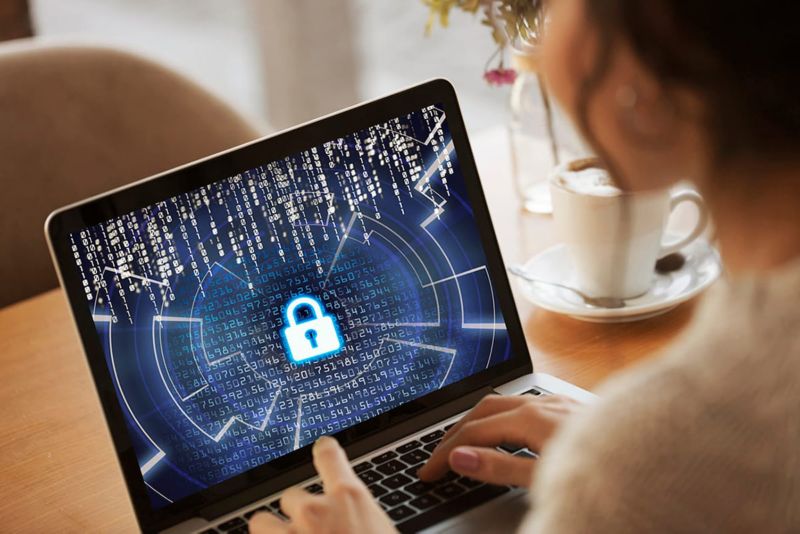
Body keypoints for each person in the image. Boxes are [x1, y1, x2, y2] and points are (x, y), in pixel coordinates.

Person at [250, 0, 800, 531]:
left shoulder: (639, 474)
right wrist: (626, 447)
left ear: (647, 98)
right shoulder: (666, 451)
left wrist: (626, 463)